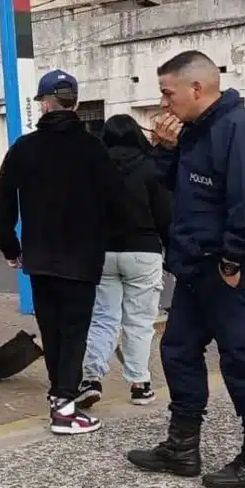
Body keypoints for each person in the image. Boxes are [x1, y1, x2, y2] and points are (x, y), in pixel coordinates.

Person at [126, 51, 245, 488]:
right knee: (177, 350)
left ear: (196, 88)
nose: (163, 102)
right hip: (196, 265)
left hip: (231, 266)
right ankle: (182, 446)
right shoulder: (194, 131)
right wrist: (164, 148)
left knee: (243, 358)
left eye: (167, 92)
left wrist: (234, 259)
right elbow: (170, 184)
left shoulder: (241, 128)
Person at [0, 69, 125, 436]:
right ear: (75, 104)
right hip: (82, 257)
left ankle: (59, 397)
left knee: (51, 330)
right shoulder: (94, 149)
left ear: (45, 104)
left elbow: (1, 208)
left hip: (40, 258)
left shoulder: (24, 148)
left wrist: (11, 248)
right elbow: (118, 202)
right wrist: (102, 237)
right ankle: (65, 407)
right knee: (75, 331)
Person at [78, 114, 171, 409]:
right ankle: (139, 385)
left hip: (104, 253)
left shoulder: (94, 169)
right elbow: (165, 214)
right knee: (139, 321)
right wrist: (171, 251)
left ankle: (91, 379)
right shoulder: (151, 166)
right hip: (144, 251)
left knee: (103, 318)